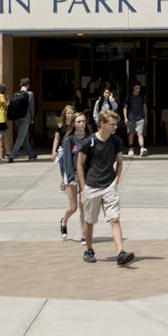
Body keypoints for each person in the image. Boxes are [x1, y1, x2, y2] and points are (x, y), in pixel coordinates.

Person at [75, 109, 134, 266]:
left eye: (116, 124)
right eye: (112, 124)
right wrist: (83, 187)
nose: (115, 127)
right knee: (89, 221)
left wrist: (116, 180)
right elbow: (79, 164)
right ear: (102, 124)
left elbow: (120, 162)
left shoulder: (116, 141)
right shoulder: (89, 142)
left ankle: (120, 252)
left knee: (114, 219)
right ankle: (88, 249)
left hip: (109, 185)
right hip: (91, 186)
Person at [56, 109, 88, 242]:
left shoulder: (89, 138)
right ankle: (64, 221)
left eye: (84, 121)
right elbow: (67, 160)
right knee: (73, 207)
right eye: (79, 121)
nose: (82, 124)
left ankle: (83, 234)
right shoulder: (69, 140)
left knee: (83, 205)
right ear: (74, 124)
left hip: (85, 175)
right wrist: (69, 179)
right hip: (72, 175)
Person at [6, 77, 37, 162]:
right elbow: (31, 107)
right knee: (21, 137)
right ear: (28, 84)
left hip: (17, 118)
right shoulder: (30, 94)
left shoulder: (16, 94)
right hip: (26, 117)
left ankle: (31, 155)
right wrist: (32, 117)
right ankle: (12, 155)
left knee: (25, 137)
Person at [124, 83, 148, 156]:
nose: (138, 89)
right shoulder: (129, 97)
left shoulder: (142, 97)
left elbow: (144, 107)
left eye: (139, 88)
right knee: (131, 134)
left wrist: (146, 117)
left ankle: (142, 148)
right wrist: (125, 117)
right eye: (136, 88)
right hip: (131, 118)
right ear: (133, 88)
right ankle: (131, 148)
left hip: (140, 117)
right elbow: (125, 107)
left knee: (140, 133)